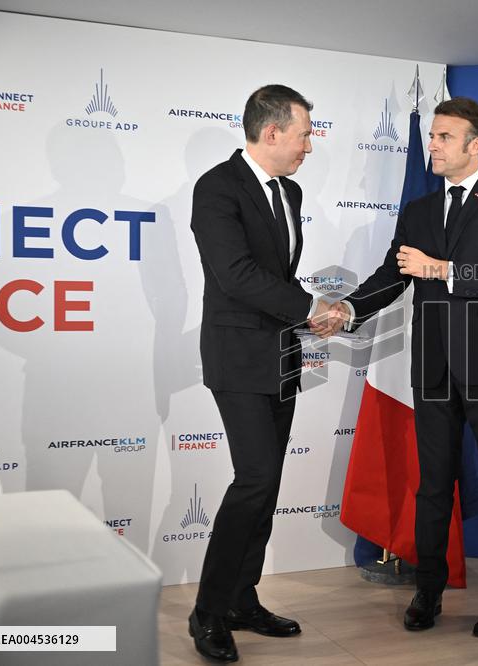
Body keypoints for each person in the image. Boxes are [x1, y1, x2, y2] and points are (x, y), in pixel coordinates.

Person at [329, 97, 478, 637]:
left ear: (476, 145)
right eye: (434, 136)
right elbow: (392, 273)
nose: (434, 144)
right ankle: (428, 591)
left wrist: (441, 269)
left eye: (445, 137)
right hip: (435, 368)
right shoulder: (420, 209)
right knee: (432, 486)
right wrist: (348, 308)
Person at [188, 84, 334, 663]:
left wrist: (316, 309)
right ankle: (208, 611)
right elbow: (236, 275)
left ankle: (241, 600)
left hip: (281, 355)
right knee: (252, 480)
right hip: (237, 358)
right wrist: (309, 309)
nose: (309, 147)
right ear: (270, 132)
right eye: (304, 134)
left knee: (267, 486)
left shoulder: (290, 192)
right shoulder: (217, 188)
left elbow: (278, 274)